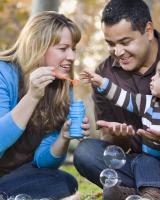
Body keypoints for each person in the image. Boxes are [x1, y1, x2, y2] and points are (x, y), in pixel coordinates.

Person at [73, 0, 160, 199]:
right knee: (86, 152)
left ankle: (157, 192)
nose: (118, 52)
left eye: (125, 42)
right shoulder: (105, 73)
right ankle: (153, 192)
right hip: (142, 164)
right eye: (111, 44)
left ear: (148, 31)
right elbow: (113, 139)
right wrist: (119, 137)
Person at [80, 53, 160, 199]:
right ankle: (151, 194)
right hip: (152, 160)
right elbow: (123, 97)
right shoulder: (149, 103)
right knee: (143, 160)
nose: (153, 77)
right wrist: (101, 82)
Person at [0, 11, 89, 199]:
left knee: (65, 180)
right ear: (38, 45)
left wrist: (63, 137)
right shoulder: (3, 73)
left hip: (19, 176)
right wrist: (32, 96)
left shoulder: (63, 88)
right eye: (63, 48)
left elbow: (42, 163)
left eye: (73, 48)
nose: (71, 56)